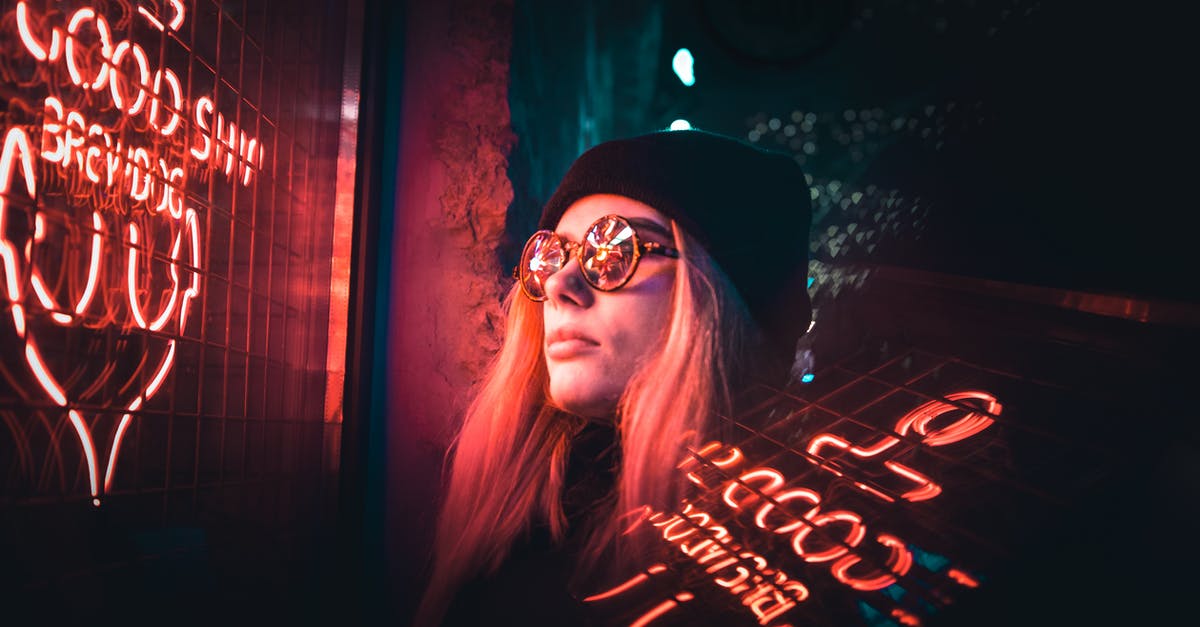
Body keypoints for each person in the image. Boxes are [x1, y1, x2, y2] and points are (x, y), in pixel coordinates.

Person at [415, 129, 813, 626]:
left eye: (616, 249)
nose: (561, 284)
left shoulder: (783, 559)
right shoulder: (511, 519)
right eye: (550, 255)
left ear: (726, 301)